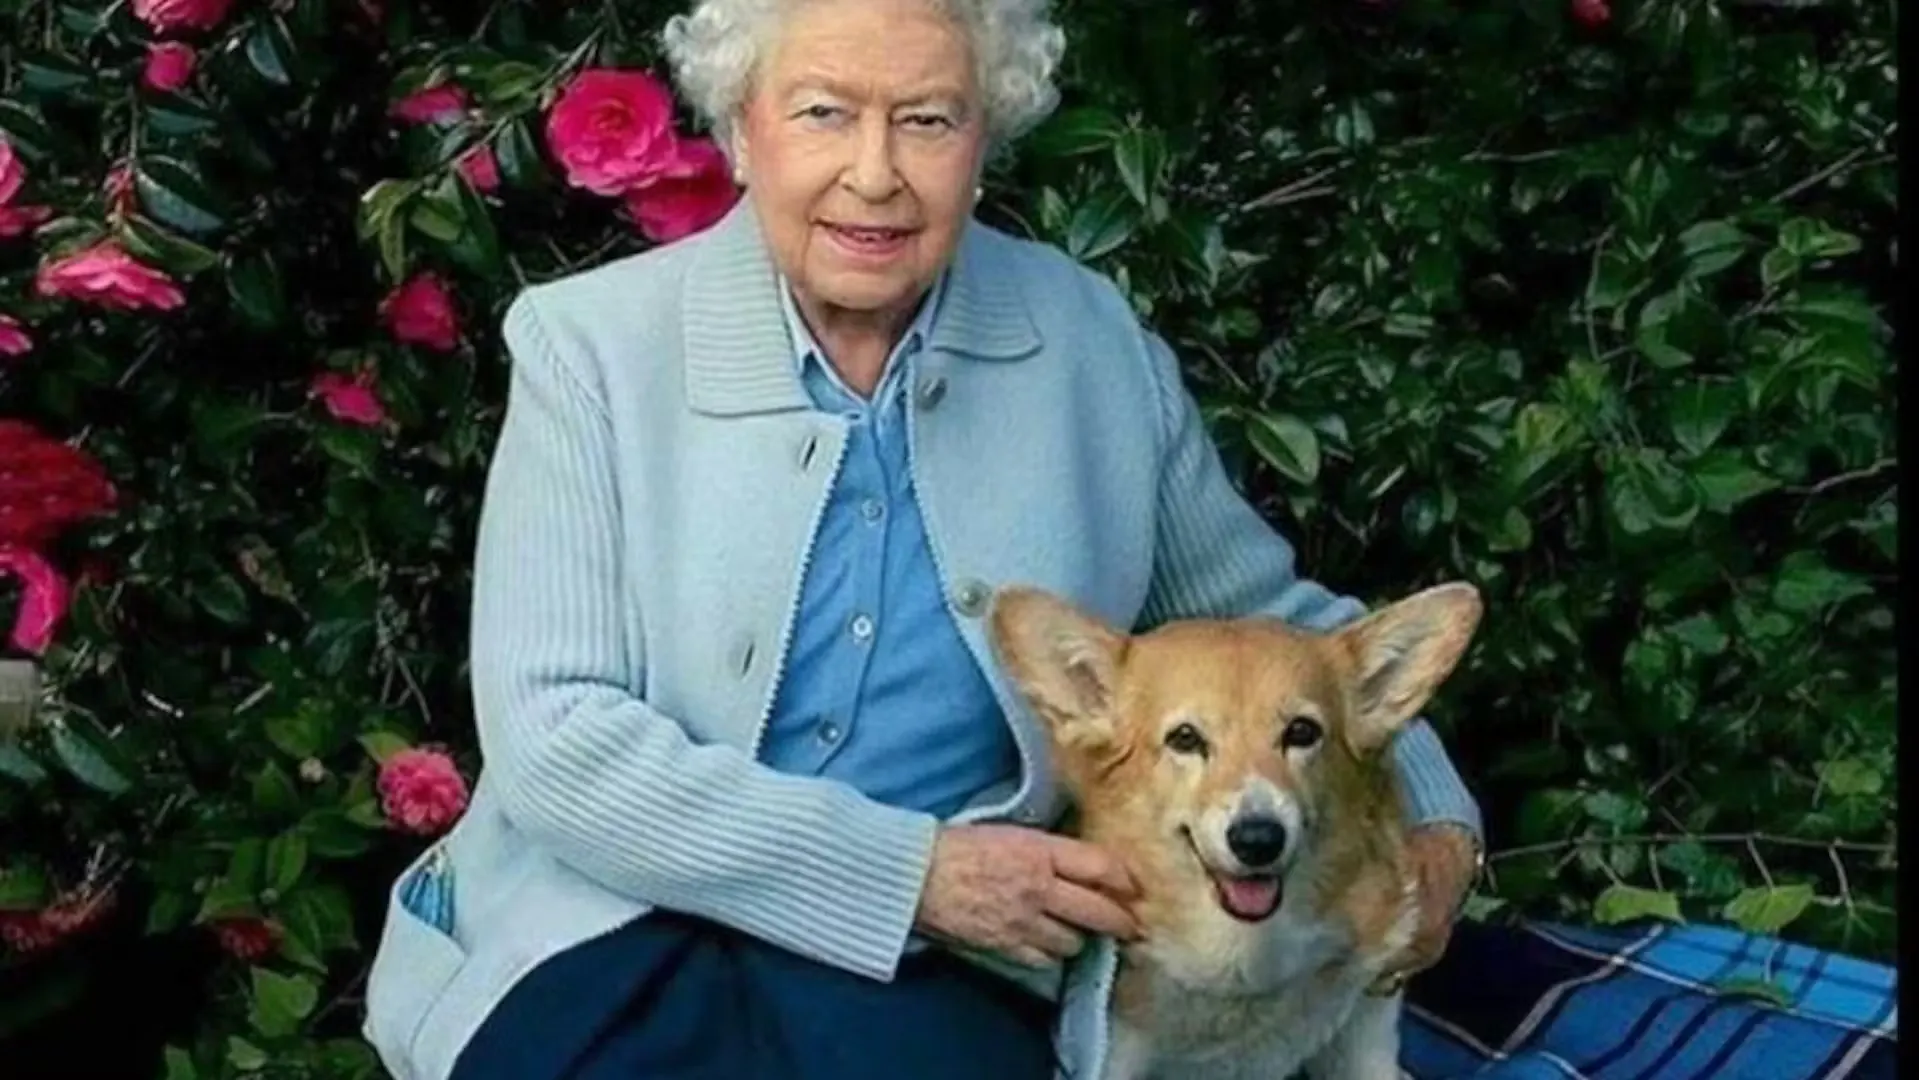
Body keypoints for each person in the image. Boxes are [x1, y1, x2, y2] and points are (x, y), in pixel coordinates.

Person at [360, 0, 1485, 1077]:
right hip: (610, 918)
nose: (874, 172)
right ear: (738, 131)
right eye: (821, 113)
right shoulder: (590, 349)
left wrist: (1437, 828)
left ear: (983, 139)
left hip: (937, 961)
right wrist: (911, 875)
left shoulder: (1087, 343)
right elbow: (554, 740)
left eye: (927, 119)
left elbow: (1281, 631)